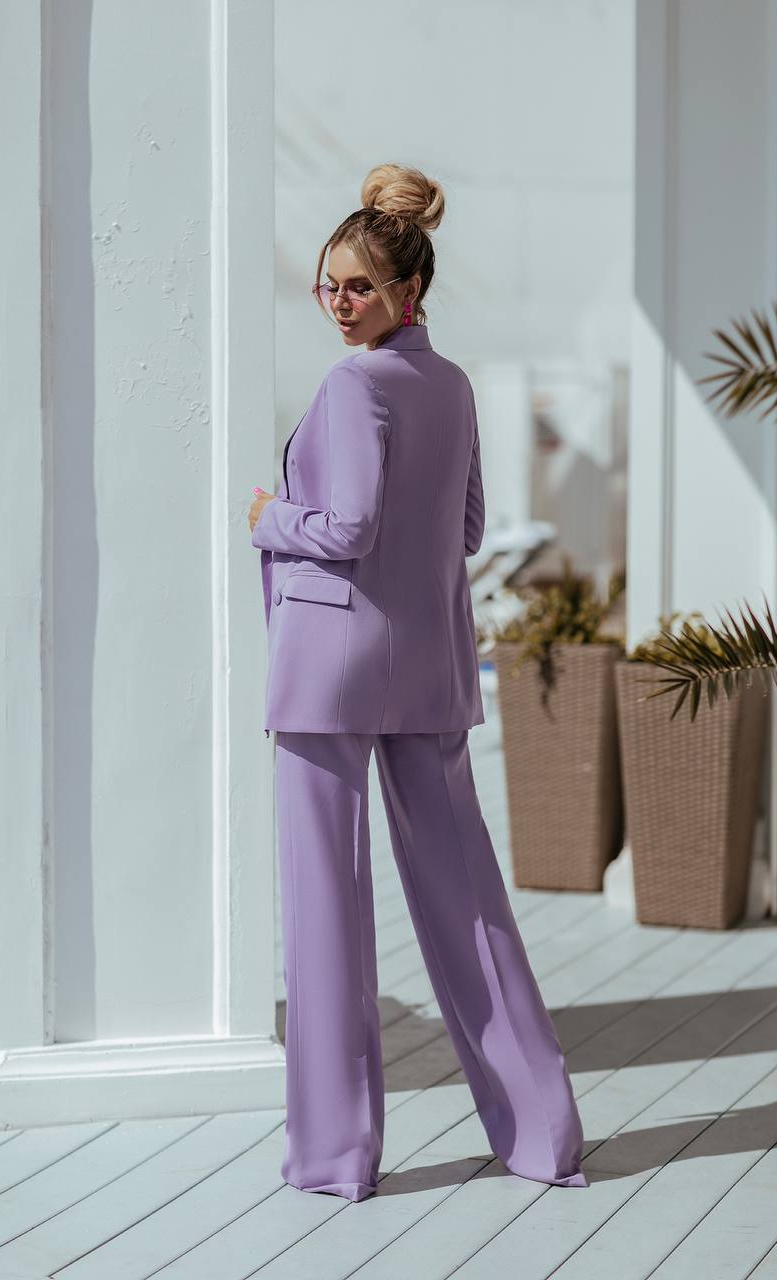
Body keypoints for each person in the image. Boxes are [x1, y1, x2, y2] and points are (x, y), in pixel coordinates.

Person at [248, 163, 588, 1202]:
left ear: (407, 295)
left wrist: (269, 514)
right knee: (468, 898)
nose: (340, 303)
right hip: (428, 665)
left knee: (326, 908)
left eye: (357, 287)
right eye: (328, 285)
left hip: (328, 667)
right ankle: (543, 1132)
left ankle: (335, 1154)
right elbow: (469, 529)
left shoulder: (353, 385)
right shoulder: (450, 384)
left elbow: (345, 526)